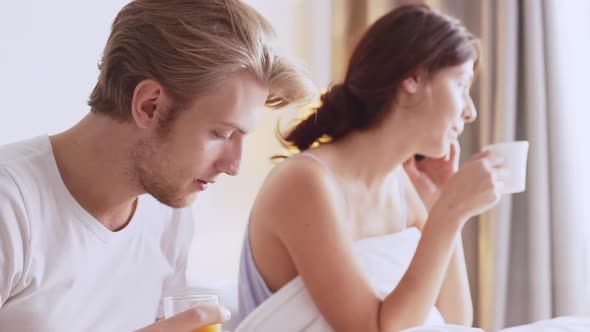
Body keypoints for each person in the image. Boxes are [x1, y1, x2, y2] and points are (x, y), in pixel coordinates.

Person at [0, 0, 314, 331]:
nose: (234, 165)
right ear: (150, 105)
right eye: (222, 134)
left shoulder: (168, 210)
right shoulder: (11, 206)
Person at [238, 4, 509, 332]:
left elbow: (455, 319)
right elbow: (372, 329)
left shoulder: (398, 183)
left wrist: (442, 204)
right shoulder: (306, 182)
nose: (470, 111)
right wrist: (448, 214)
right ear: (412, 78)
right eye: (461, 86)